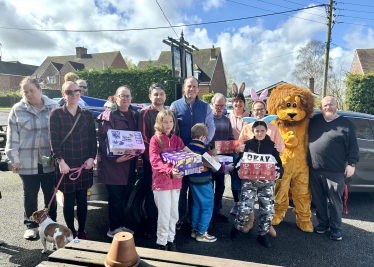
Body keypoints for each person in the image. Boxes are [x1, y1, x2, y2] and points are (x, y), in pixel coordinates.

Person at [5, 77, 58, 240]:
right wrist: (12, 157)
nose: (28, 94)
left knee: (50, 193)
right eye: (25, 91)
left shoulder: (54, 108)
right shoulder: (17, 109)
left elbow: (61, 134)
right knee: (30, 193)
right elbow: (12, 136)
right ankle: (31, 226)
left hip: (49, 160)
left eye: (31, 90)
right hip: (26, 160)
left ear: (40, 90)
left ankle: (51, 225)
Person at [49, 81, 96, 240]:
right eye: (70, 92)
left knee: (82, 199)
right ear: (63, 94)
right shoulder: (55, 114)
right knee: (68, 200)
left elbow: (92, 139)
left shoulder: (88, 115)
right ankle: (70, 231)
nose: (74, 94)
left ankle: (81, 231)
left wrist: (91, 157)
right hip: (66, 166)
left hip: (83, 165)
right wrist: (60, 161)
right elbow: (53, 141)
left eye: (77, 91)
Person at [308, 96, 359, 241]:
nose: (328, 107)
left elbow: (353, 147)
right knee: (318, 200)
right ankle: (323, 223)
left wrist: (352, 164)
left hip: (335, 171)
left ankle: (336, 228)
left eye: (331, 105)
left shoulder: (346, 124)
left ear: (336, 106)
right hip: (314, 168)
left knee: (335, 201)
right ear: (321, 107)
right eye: (325, 105)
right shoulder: (315, 121)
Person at [236, 88, 285, 236]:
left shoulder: (273, 127)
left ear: (266, 110)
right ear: (252, 110)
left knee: (267, 202)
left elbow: (281, 147)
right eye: (256, 110)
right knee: (248, 199)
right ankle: (250, 221)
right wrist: (239, 148)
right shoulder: (246, 127)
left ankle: (266, 225)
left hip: (267, 173)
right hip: (250, 172)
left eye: (262, 109)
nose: (259, 112)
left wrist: (279, 148)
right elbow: (239, 147)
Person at [170, 76, 215, 229]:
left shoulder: (206, 107)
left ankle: (192, 217)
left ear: (198, 89)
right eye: (189, 86)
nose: (192, 89)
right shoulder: (175, 106)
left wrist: (201, 145)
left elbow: (211, 127)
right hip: (181, 155)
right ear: (184, 87)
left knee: (196, 187)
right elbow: (172, 129)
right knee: (181, 188)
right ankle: (180, 217)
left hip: (198, 155)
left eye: (195, 86)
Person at [231, 121, 283, 248]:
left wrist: (278, 173)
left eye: (262, 131)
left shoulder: (272, 146)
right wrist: (239, 171)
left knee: (268, 211)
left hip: (266, 184)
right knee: (245, 209)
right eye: (257, 131)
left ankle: (262, 234)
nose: (260, 133)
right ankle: (236, 228)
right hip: (249, 183)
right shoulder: (247, 145)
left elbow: (279, 165)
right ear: (253, 132)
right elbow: (239, 162)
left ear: (266, 131)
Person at [138, 83, 180, 238]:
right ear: (150, 96)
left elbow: (176, 136)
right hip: (153, 162)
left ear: (165, 96)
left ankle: (171, 226)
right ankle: (152, 223)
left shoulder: (171, 113)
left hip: (172, 163)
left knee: (171, 195)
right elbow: (142, 138)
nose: (159, 97)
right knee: (152, 194)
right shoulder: (144, 113)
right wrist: (158, 158)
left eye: (161, 94)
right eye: (156, 94)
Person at [97, 85, 138, 238]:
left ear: (131, 99)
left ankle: (120, 225)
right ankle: (113, 228)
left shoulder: (135, 115)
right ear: (115, 98)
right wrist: (115, 158)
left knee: (124, 195)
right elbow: (102, 140)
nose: (125, 99)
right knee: (115, 197)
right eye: (122, 96)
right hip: (113, 164)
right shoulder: (107, 116)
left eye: (128, 96)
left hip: (130, 163)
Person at [188, 123, 233, 242]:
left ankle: (194, 230)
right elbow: (214, 167)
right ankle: (202, 233)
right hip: (203, 181)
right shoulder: (203, 149)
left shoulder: (188, 147)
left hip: (192, 181)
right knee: (207, 207)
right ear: (203, 137)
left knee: (197, 206)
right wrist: (228, 168)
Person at [149, 110, 185, 251]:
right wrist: (170, 171)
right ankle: (161, 242)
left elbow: (183, 159)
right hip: (161, 184)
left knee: (174, 214)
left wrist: (192, 167)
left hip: (176, 183)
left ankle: (171, 239)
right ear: (159, 123)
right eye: (165, 121)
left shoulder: (178, 140)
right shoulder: (155, 139)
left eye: (171, 121)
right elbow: (155, 161)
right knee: (164, 215)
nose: (168, 124)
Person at [209, 93, 234, 223]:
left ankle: (217, 211)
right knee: (209, 187)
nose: (219, 108)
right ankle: (208, 213)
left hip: (223, 159)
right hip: (209, 158)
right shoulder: (207, 119)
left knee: (220, 186)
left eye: (222, 106)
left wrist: (232, 144)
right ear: (212, 104)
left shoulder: (226, 120)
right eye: (217, 105)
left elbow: (230, 137)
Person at [227, 83, 250, 216]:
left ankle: (245, 203)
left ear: (244, 103)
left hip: (246, 153)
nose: (238, 104)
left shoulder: (249, 117)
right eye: (236, 102)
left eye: (240, 101)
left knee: (245, 178)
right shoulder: (228, 117)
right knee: (235, 178)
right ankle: (237, 203)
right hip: (232, 153)